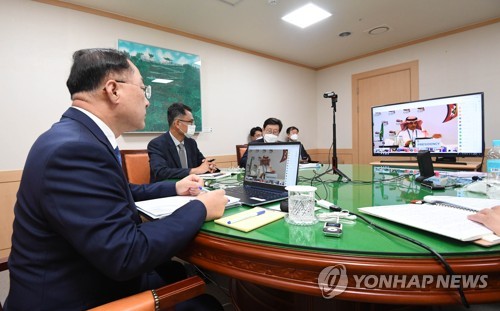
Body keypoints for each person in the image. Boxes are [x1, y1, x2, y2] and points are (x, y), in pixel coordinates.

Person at [5, 48, 226, 310]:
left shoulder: (77, 137)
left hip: (88, 271)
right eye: (144, 90)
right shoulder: (74, 149)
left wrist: (175, 186)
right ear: (113, 90)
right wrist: (200, 208)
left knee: (174, 271)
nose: (147, 101)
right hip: (78, 296)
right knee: (208, 304)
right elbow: (127, 255)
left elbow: (122, 191)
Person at [148, 103, 218, 182]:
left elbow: (201, 162)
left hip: (192, 188)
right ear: (177, 123)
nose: (193, 125)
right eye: (190, 122)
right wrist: (194, 171)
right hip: (168, 190)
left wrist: (209, 165)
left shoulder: (191, 143)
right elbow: (161, 172)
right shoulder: (157, 144)